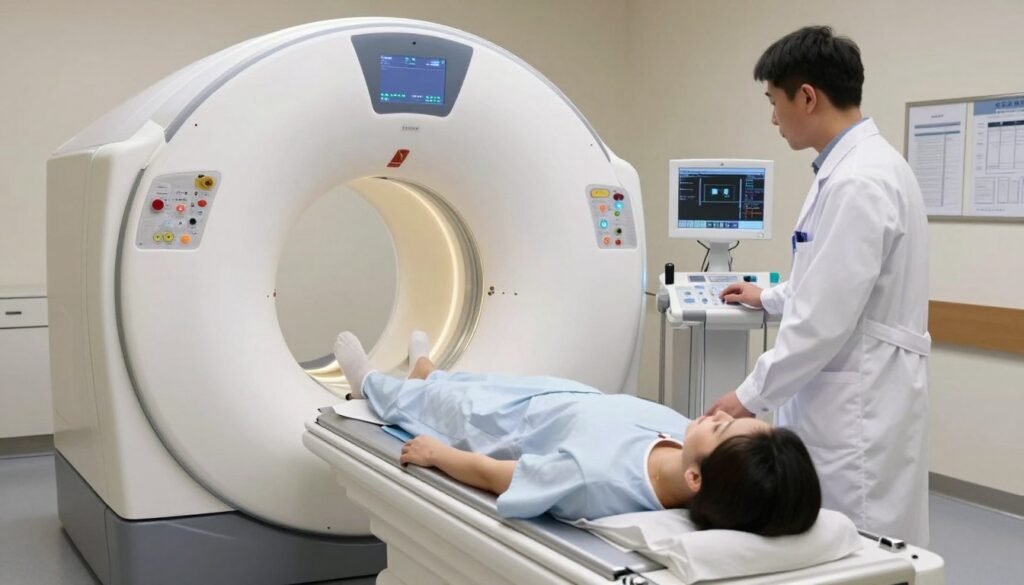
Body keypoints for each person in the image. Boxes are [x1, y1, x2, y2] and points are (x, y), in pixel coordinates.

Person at [706, 26, 931, 544]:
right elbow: (832, 280)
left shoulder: (858, 180)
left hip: (858, 403)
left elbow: (824, 319)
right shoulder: (867, 167)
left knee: (857, 542)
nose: (772, 117)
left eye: (774, 100)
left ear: (806, 96)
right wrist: (771, 295)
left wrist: (746, 398)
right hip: (868, 385)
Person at [334, 330, 822, 536]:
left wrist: (439, 455)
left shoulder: (597, 481)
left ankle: (375, 387)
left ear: (697, 479)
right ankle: (427, 369)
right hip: (558, 401)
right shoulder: (686, 441)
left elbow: (505, 475)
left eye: (724, 431)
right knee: (472, 383)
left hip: (511, 429)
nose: (720, 416)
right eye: (734, 420)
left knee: (452, 408)